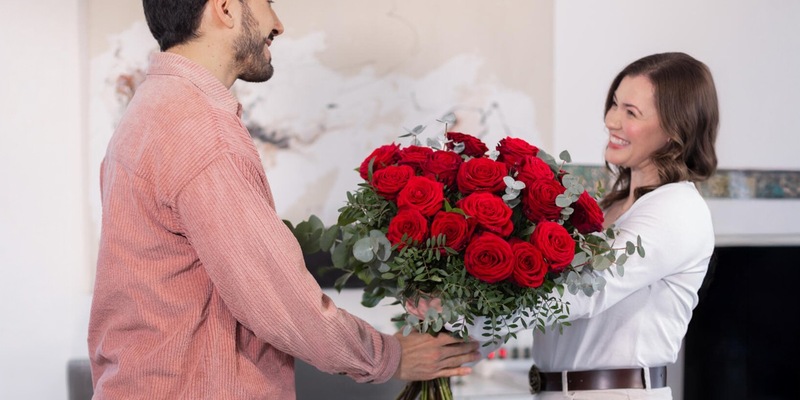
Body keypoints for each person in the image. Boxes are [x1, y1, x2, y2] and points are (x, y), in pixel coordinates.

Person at [87, 0, 479, 398]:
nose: (277, 25)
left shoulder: (150, 111)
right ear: (225, 8)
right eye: (268, 3)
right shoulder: (204, 135)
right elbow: (281, 304)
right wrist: (390, 357)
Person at [525, 52, 719, 399]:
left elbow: (586, 292)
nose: (611, 120)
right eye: (615, 104)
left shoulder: (678, 209)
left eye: (631, 112)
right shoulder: (607, 207)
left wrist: (466, 319)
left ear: (674, 130)